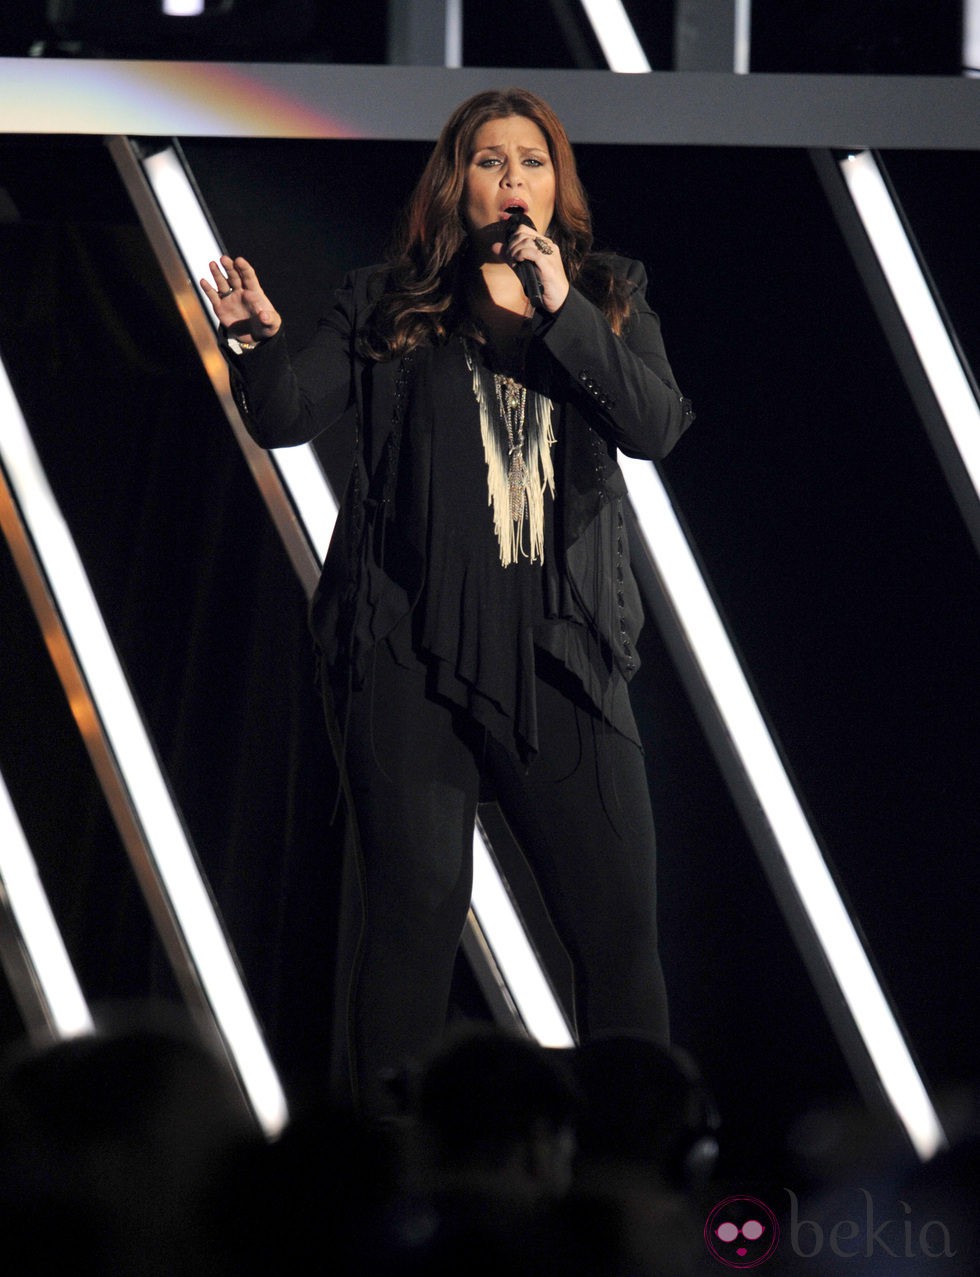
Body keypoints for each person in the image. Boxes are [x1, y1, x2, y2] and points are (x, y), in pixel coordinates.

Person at [201, 87, 694, 1116]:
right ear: (453, 182)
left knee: (615, 934)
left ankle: (632, 1166)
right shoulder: (386, 299)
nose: (511, 178)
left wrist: (563, 312)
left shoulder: (606, 293)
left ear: (558, 186)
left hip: (562, 651)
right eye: (487, 160)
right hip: (406, 652)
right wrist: (252, 341)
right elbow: (287, 415)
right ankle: (384, 1172)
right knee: (413, 918)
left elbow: (653, 426)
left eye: (531, 160)